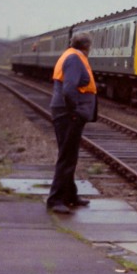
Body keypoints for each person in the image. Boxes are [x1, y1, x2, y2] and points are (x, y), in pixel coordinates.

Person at [46, 32, 98, 214]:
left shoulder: (70, 55)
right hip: (68, 114)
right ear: (87, 46)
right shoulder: (75, 59)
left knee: (69, 154)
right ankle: (55, 199)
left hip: (65, 112)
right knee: (67, 156)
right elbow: (69, 89)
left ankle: (69, 195)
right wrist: (74, 110)